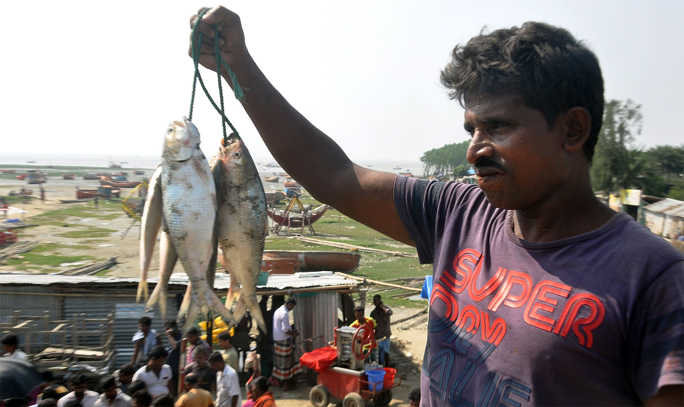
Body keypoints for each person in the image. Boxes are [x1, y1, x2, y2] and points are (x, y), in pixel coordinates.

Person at [188, 6, 684, 405]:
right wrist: (240, 69)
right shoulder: (459, 211)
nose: (475, 149)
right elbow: (335, 177)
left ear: (572, 129)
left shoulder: (655, 278)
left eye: (499, 127)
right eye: (471, 129)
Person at [270, 298, 300, 390]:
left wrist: (292, 331)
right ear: (290, 304)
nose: (292, 309)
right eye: (292, 307)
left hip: (278, 339)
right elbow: (285, 329)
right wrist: (293, 334)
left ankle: (280, 381)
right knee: (287, 363)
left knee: (279, 363)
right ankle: (286, 384)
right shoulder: (284, 313)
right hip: (284, 341)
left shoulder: (278, 311)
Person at [369, 294, 393, 367]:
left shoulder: (386, 309)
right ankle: (381, 366)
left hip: (386, 334)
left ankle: (388, 367)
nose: (376, 302)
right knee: (379, 353)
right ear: (373, 302)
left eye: (378, 300)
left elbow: (390, 313)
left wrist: (382, 307)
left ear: (380, 301)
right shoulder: (373, 313)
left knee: (386, 352)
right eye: (375, 301)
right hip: (379, 336)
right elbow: (371, 325)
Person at [163, 320, 182, 396]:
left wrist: (169, 336)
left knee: (175, 391)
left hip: (176, 369)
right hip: (170, 368)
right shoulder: (172, 337)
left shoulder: (180, 337)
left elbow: (176, 347)